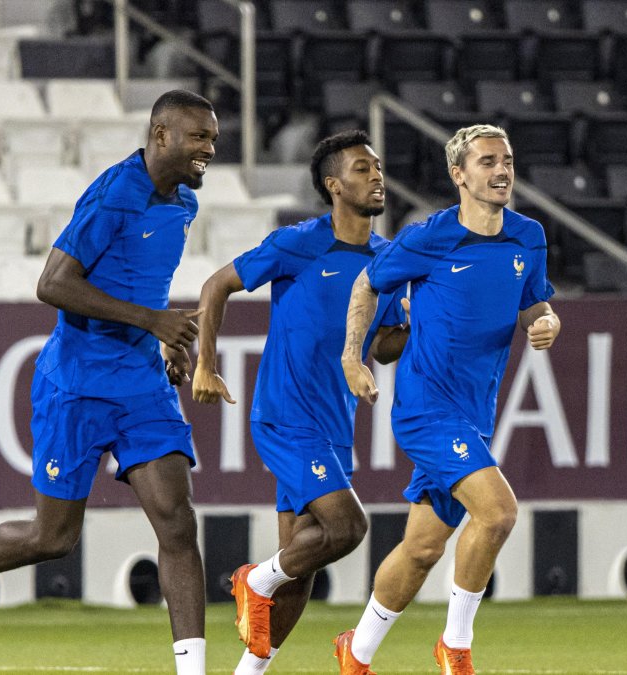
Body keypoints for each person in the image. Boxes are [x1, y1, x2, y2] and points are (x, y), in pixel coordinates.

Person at [0, 90, 217, 675]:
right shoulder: (115, 193)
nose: (210, 149)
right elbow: (54, 284)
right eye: (199, 137)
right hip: (77, 384)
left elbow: (139, 283)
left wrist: (165, 339)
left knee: (177, 520)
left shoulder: (186, 202)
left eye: (214, 139)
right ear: (161, 133)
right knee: (53, 538)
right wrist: (152, 320)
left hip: (141, 385)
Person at [333, 124, 561, 675]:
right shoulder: (428, 238)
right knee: (499, 511)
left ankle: (355, 653)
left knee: (421, 549)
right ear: (459, 175)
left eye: (506, 159)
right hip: (424, 409)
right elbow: (368, 283)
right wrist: (351, 356)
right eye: (486, 161)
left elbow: (535, 305)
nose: (501, 169)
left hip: (474, 413)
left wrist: (548, 321)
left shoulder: (528, 237)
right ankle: (455, 646)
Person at [192, 130, 409, 674]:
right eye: (363, 168)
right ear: (334, 185)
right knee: (348, 529)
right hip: (286, 416)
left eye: (378, 167)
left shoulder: (388, 261)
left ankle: (248, 672)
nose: (377, 176)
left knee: (304, 559)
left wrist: (426, 324)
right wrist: (205, 363)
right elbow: (217, 285)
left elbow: (381, 347)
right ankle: (253, 580)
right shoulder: (298, 243)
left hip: (335, 424)